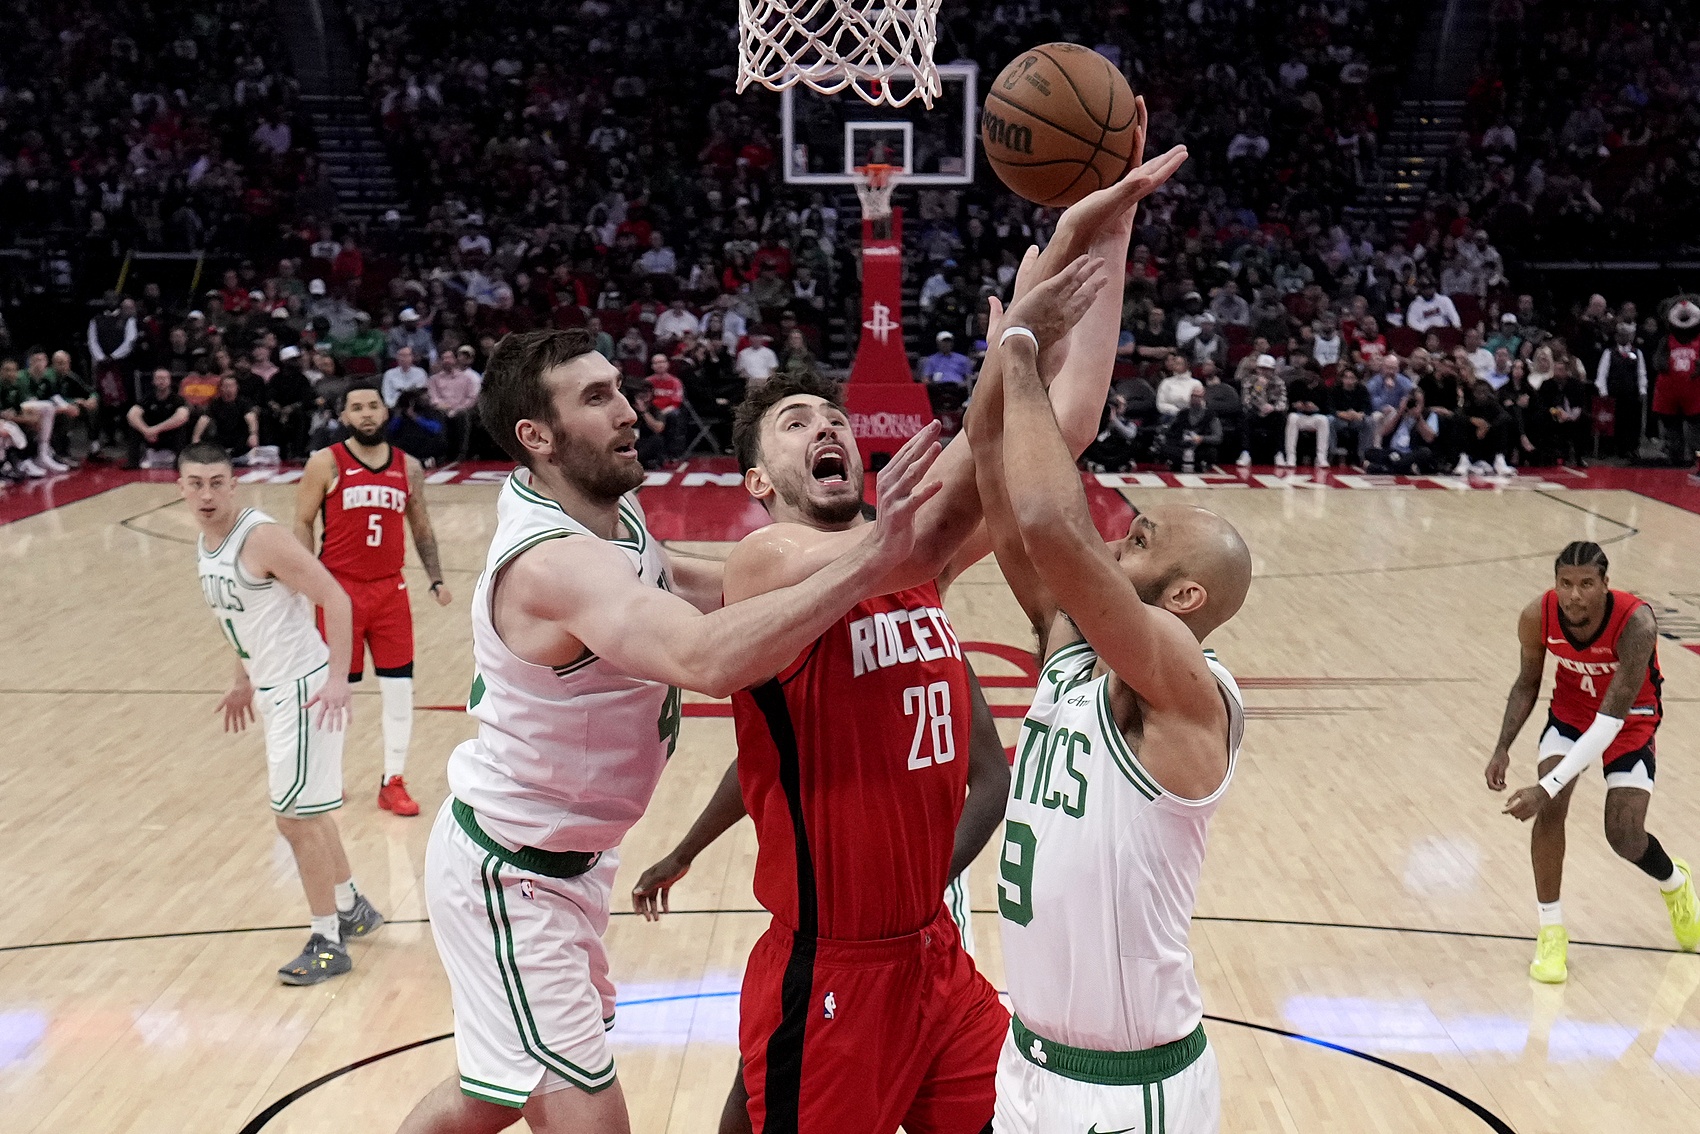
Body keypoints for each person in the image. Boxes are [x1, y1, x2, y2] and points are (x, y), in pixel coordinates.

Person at [712, 145, 1185, 1134]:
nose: (823, 428)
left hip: (932, 954)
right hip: (831, 969)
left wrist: (1103, 236)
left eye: (831, 416)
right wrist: (1015, 340)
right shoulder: (764, 563)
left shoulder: (905, 560)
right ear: (758, 482)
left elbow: (1062, 423)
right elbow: (918, 531)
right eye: (793, 424)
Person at [394, 327, 949, 1134]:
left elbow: (687, 581)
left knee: (491, 1095)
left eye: (618, 388)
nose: (629, 410)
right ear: (537, 437)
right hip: (512, 876)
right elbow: (703, 657)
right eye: (597, 399)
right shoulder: (552, 561)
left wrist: (814, 562)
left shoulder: (601, 508)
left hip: (564, 862)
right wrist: (867, 560)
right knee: (586, 1114)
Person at [966, 257, 1251, 1134]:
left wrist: (1024, 350)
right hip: (1028, 1063)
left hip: (1129, 1091)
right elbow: (994, 473)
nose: (1122, 535)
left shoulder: (1184, 684)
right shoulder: (1071, 649)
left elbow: (1052, 524)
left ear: (1186, 596)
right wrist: (1001, 367)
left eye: (1143, 540)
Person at [179, 442, 384, 984]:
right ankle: (351, 907)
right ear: (181, 487)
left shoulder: (261, 538)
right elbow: (240, 620)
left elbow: (335, 598)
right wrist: (241, 679)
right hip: (274, 688)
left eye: (216, 482)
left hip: (304, 690)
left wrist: (339, 679)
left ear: (234, 485)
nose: (206, 494)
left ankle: (327, 942)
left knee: (292, 819)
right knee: (309, 811)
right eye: (196, 483)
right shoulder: (207, 543)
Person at [1488, 542, 1699, 983]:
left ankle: (1675, 883)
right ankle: (1551, 932)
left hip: (1629, 718)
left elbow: (1609, 723)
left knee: (1623, 835)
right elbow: (1527, 682)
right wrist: (1503, 745)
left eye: (1586, 584)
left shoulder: (1636, 623)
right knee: (1551, 809)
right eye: (1565, 583)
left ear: (1605, 584)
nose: (1574, 595)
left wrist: (1543, 787)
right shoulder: (1537, 615)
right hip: (1570, 713)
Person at [293, 381, 454, 817]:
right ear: (345, 416)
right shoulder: (325, 462)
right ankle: (326, 776)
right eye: (357, 407)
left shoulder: (409, 467)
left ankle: (393, 780)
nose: (366, 414)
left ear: (385, 412)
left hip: (390, 592)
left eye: (372, 406)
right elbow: (302, 522)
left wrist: (436, 578)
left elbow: (421, 528)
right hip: (338, 592)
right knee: (336, 691)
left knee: (399, 690)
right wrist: (307, 580)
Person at [1595, 322, 1647, 461]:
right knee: (1610, 423)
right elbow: (1602, 373)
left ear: (1630, 336)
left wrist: (1642, 390)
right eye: (1620, 334)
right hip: (1613, 394)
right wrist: (1603, 391)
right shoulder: (1609, 353)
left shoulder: (1637, 353)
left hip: (1631, 394)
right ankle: (1607, 449)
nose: (1623, 337)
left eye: (1626, 334)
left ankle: (1630, 449)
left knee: (1631, 423)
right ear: (1616, 336)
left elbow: (1641, 372)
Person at [127, 367, 193, 468]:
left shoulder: (177, 399)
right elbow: (132, 414)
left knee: (181, 428)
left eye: (164, 378)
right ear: (153, 381)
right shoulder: (147, 398)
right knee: (134, 427)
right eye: (158, 378)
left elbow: (182, 417)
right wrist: (146, 430)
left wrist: (156, 429)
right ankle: (133, 462)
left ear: (170, 381)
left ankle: (179, 462)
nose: (161, 381)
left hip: (169, 436)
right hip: (151, 437)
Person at [1364, 387, 1441, 474]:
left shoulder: (1430, 415)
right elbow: (1384, 433)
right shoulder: (1399, 413)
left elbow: (1430, 438)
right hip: (1394, 453)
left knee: (1425, 452)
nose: (1414, 405)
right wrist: (1400, 413)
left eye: (1418, 403)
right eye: (1412, 402)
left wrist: (1418, 417)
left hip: (1412, 453)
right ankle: (1404, 468)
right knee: (1369, 452)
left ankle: (1386, 469)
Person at [193, 375, 261, 461]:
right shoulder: (215, 403)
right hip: (221, 438)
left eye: (231, 386)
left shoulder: (244, 402)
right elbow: (204, 419)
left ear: (237, 388)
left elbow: (250, 418)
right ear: (221, 388)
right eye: (225, 386)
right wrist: (196, 438)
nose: (228, 389)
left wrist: (253, 434)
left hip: (240, 439)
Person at [1161, 385, 1222, 471]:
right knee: (1165, 446)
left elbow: (1218, 437)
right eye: (1193, 396)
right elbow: (1169, 431)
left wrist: (1202, 438)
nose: (1195, 398)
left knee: (1211, 452)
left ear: (1203, 398)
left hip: (1200, 448)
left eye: (1198, 396)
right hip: (1180, 447)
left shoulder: (1211, 415)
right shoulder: (1182, 413)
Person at [1282, 362, 1330, 469]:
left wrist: (1316, 408)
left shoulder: (1322, 387)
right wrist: (1296, 405)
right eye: (1306, 372)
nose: (1307, 376)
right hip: (1299, 416)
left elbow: (1327, 408)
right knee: (1292, 418)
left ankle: (1321, 457)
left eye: (1310, 373)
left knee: (1324, 420)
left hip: (1315, 417)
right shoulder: (1295, 385)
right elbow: (1288, 405)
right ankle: (1291, 457)